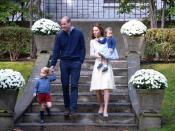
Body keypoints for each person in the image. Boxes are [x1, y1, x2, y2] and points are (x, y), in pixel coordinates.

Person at [50, 16, 86, 116]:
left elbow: (83, 48)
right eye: (61, 24)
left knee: (74, 85)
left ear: (69, 23)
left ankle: (73, 108)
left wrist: (80, 61)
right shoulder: (59, 35)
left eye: (64, 24)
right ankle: (67, 107)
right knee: (65, 85)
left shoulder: (79, 33)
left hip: (75, 62)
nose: (62, 26)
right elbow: (56, 51)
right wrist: (52, 65)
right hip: (64, 62)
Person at [90, 23, 115, 117]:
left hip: (106, 64)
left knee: (106, 87)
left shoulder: (107, 39)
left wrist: (107, 54)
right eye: (93, 30)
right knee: (97, 89)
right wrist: (98, 55)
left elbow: (111, 49)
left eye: (96, 30)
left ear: (100, 30)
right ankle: (101, 105)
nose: (94, 32)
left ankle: (105, 109)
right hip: (98, 65)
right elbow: (91, 54)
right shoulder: (92, 41)